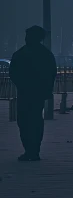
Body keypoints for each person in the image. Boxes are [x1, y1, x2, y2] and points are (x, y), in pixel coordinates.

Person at [9, 26, 57, 162]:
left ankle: (30, 150)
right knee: (34, 120)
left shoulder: (21, 53)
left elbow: (13, 72)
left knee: (25, 121)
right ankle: (34, 150)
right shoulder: (46, 54)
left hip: (26, 92)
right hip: (37, 93)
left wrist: (21, 84)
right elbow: (52, 73)